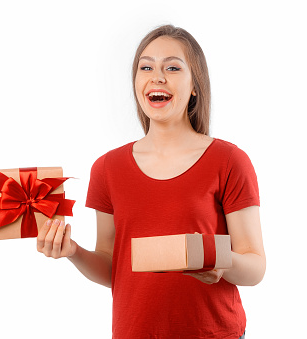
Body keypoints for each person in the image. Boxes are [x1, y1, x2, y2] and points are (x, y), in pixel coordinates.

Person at [36, 24, 265, 339]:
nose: (157, 76)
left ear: (195, 85)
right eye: (146, 67)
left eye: (172, 67)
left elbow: (255, 267)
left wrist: (219, 264)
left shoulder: (228, 160)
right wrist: (73, 251)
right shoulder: (107, 168)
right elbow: (112, 267)